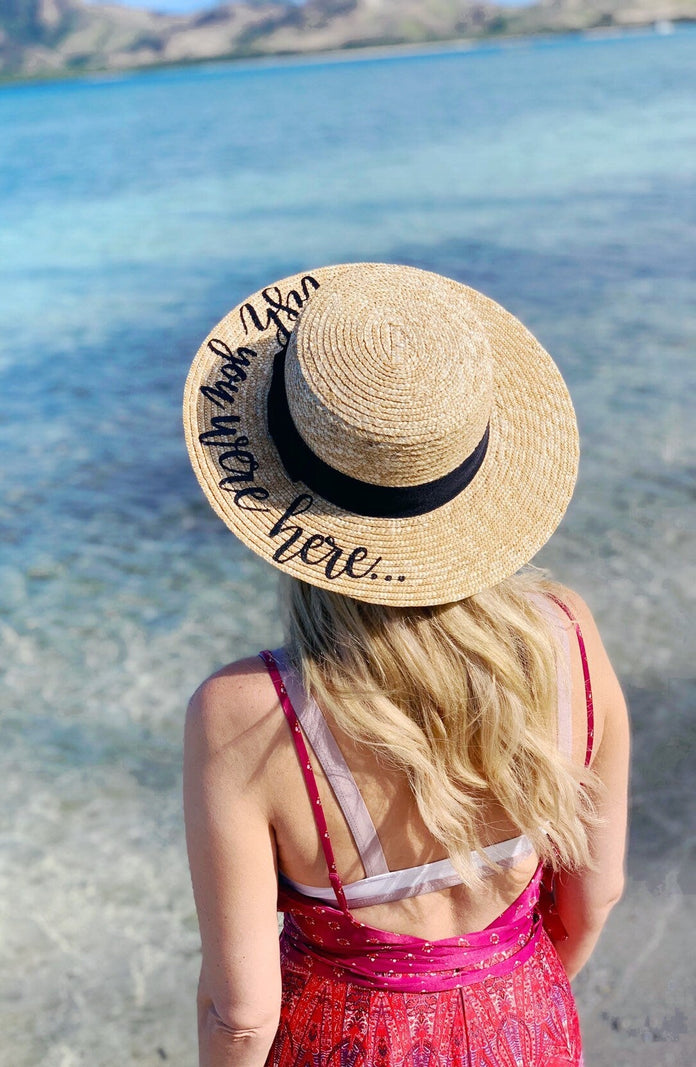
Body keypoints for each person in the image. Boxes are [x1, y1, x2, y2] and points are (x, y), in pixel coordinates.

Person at [181, 264, 629, 1067]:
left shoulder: (244, 712)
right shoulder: (568, 635)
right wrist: (502, 1013)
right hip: (527, 1023)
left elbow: (242, 1014)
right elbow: (593, 899)